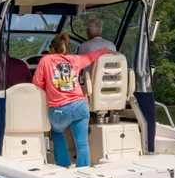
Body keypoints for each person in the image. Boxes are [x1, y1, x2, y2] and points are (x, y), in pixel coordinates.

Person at [32, 33, 114, 167]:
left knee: (57, 132)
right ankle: (83, 170)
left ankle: (64, 165)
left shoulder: (46, 60)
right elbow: (90, 57)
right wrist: (105, 51)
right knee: (82, 143)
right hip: (80, 107)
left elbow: (37, 84)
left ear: (52, 49)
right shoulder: (75, 59)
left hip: (59, 110)